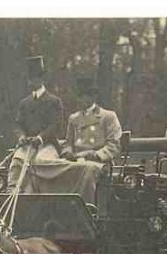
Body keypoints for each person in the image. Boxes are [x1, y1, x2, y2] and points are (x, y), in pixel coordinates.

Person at [8, 55, 64, 189]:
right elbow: (18, 124)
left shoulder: (54, 101)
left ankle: (42, 196)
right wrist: (21, 136)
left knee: (41, 163)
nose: (31, 82)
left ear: (42, 79)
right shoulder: (25, 103)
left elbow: (56, 125)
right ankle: (12, 194)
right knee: (16, 162)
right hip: (27, 145)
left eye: (34, 78)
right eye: (29, 79)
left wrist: (40, 138)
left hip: (48, 145)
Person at [61, 76, 122, 164]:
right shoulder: (73, 118)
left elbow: (113, 145)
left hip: (99, 162)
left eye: (84, 96)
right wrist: (68, 152)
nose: (80, 100)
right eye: (79, 96)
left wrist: (95, 155)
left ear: (93, 97)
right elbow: (68, 143)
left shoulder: (108, 116)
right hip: (76, 161)